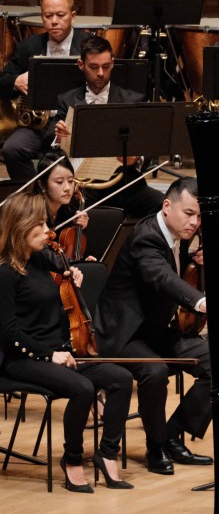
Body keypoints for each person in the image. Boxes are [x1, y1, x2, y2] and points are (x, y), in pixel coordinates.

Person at [94, 177, 219, 475]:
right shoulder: (145, 237)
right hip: (123, 333)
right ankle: (155, 446)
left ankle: (172, 434)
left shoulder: (180, 236)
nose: (195, 222)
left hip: (156, 330)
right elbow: (161, 276)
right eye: (189, 214)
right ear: (167, 206)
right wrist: (201, 302)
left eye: (199, 216)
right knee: (155, 371)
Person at [0, 192, 133, 491]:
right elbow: (8, 332)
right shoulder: (6, 274)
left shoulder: (42, 260)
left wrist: (71, 277)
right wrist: (49, 356)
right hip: (22, 360)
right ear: (20, 227)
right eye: (39, 225)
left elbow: (56, 304)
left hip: (58, 352)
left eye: (46, 222)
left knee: (120, 379)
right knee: (82, 388)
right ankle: (72, 459)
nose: (48, 230)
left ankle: (107, 454)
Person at [47, 35, 160, 219]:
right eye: (94, 67)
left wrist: (136, 158)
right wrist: (59, 138)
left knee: (161, 206)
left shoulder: (132, 100)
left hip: (124, 182)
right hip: (83, 185)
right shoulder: (66, 100)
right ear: (81, 64)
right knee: (63, 209)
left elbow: (149, 146)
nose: (100, 73)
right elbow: (48, 148)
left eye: (106, 66)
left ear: (112, 63)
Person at [1, 0, 91, 182]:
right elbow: (4, 80)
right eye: (48, 16)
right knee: (12, 149)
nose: (54, 21)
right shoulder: (30, 46)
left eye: (60, 15)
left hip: (71, 124)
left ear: (73, 16)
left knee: (59, 154)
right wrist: (16, 81)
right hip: (35, 124)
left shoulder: (88, 46)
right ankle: (36, 196)